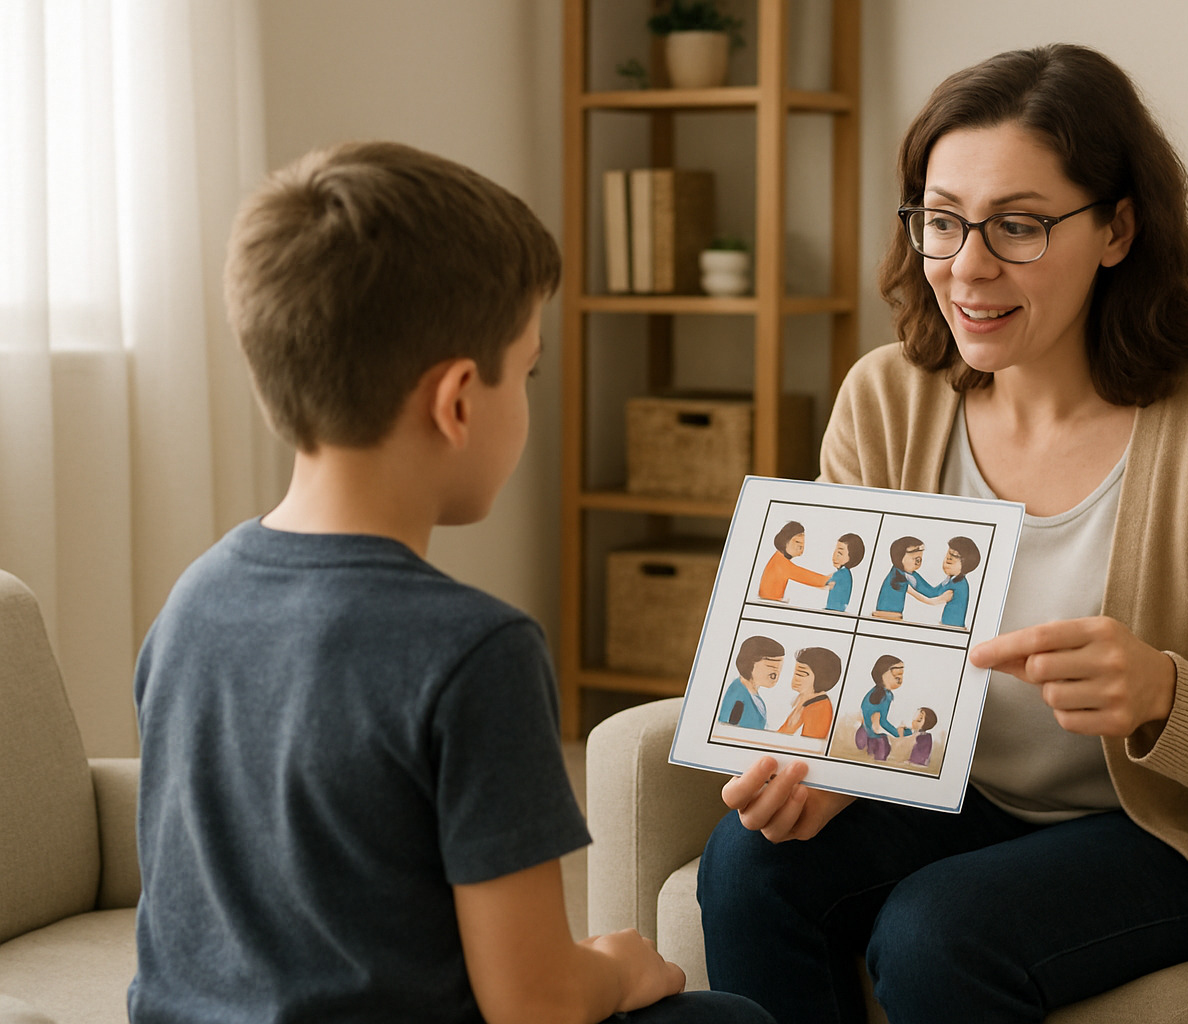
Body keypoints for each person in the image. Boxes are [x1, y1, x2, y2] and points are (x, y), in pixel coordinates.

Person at [696, 44, 1188, 1024]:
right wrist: (830, 766)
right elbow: (847, 657)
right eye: (942, 220)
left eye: (1018, 226)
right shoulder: (885, 396)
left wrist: (1163, 694)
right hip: (953, 793)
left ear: (1117, 228)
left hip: (1147, 829)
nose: (968, 266)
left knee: (936, 931)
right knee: (750, 865)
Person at [131, 141, 771, 1024]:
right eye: (529, 371)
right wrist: (618, 969)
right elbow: (536, 1003)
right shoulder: (477, 651)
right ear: (459, 400)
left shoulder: (192, 602)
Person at [909, 535, 981, 627]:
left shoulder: (959, 586)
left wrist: (909, 590)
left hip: (953, 628)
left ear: (965, 564)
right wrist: (913, 575)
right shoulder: (950, 580)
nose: (948, 559)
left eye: (953, 557)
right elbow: (932, 592)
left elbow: (933, 601)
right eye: (947, 555)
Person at [718, 635, 786, 730]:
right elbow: (725, 730)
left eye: (779, 668)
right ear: (749, 664)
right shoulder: (738, 697)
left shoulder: (753, 695)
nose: (775, 675)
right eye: (770, 667)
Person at [775, 646, 843, 740]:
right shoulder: (802, 700)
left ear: (821, 678)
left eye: (801, 674)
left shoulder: (819, 708)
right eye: (795, 673)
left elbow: (808, 744)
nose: (796, 678)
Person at [756, 520, 832, 601]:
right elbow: (808, 577)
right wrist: (830, 579)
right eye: (797, 542)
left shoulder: (778, 558)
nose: (801, 547)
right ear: (785, 540)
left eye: (803, 543)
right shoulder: (780, 563)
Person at [852, 655, 909, 761]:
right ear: (882, 674)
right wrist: (899, 733)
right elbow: (880, 723)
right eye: (896, 674)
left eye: (902, 674)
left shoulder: (875, 691)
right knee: (880, 757)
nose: (900, 678)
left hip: (866, 733)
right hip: (874, 738)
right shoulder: (885, 695)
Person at [824, 532, 865, 612]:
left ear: (851, 556)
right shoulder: (845, 574)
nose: (834, 556)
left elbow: (822, 581)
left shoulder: (841, 574)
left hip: (834, 610)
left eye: (840, 553)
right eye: (835, 551)